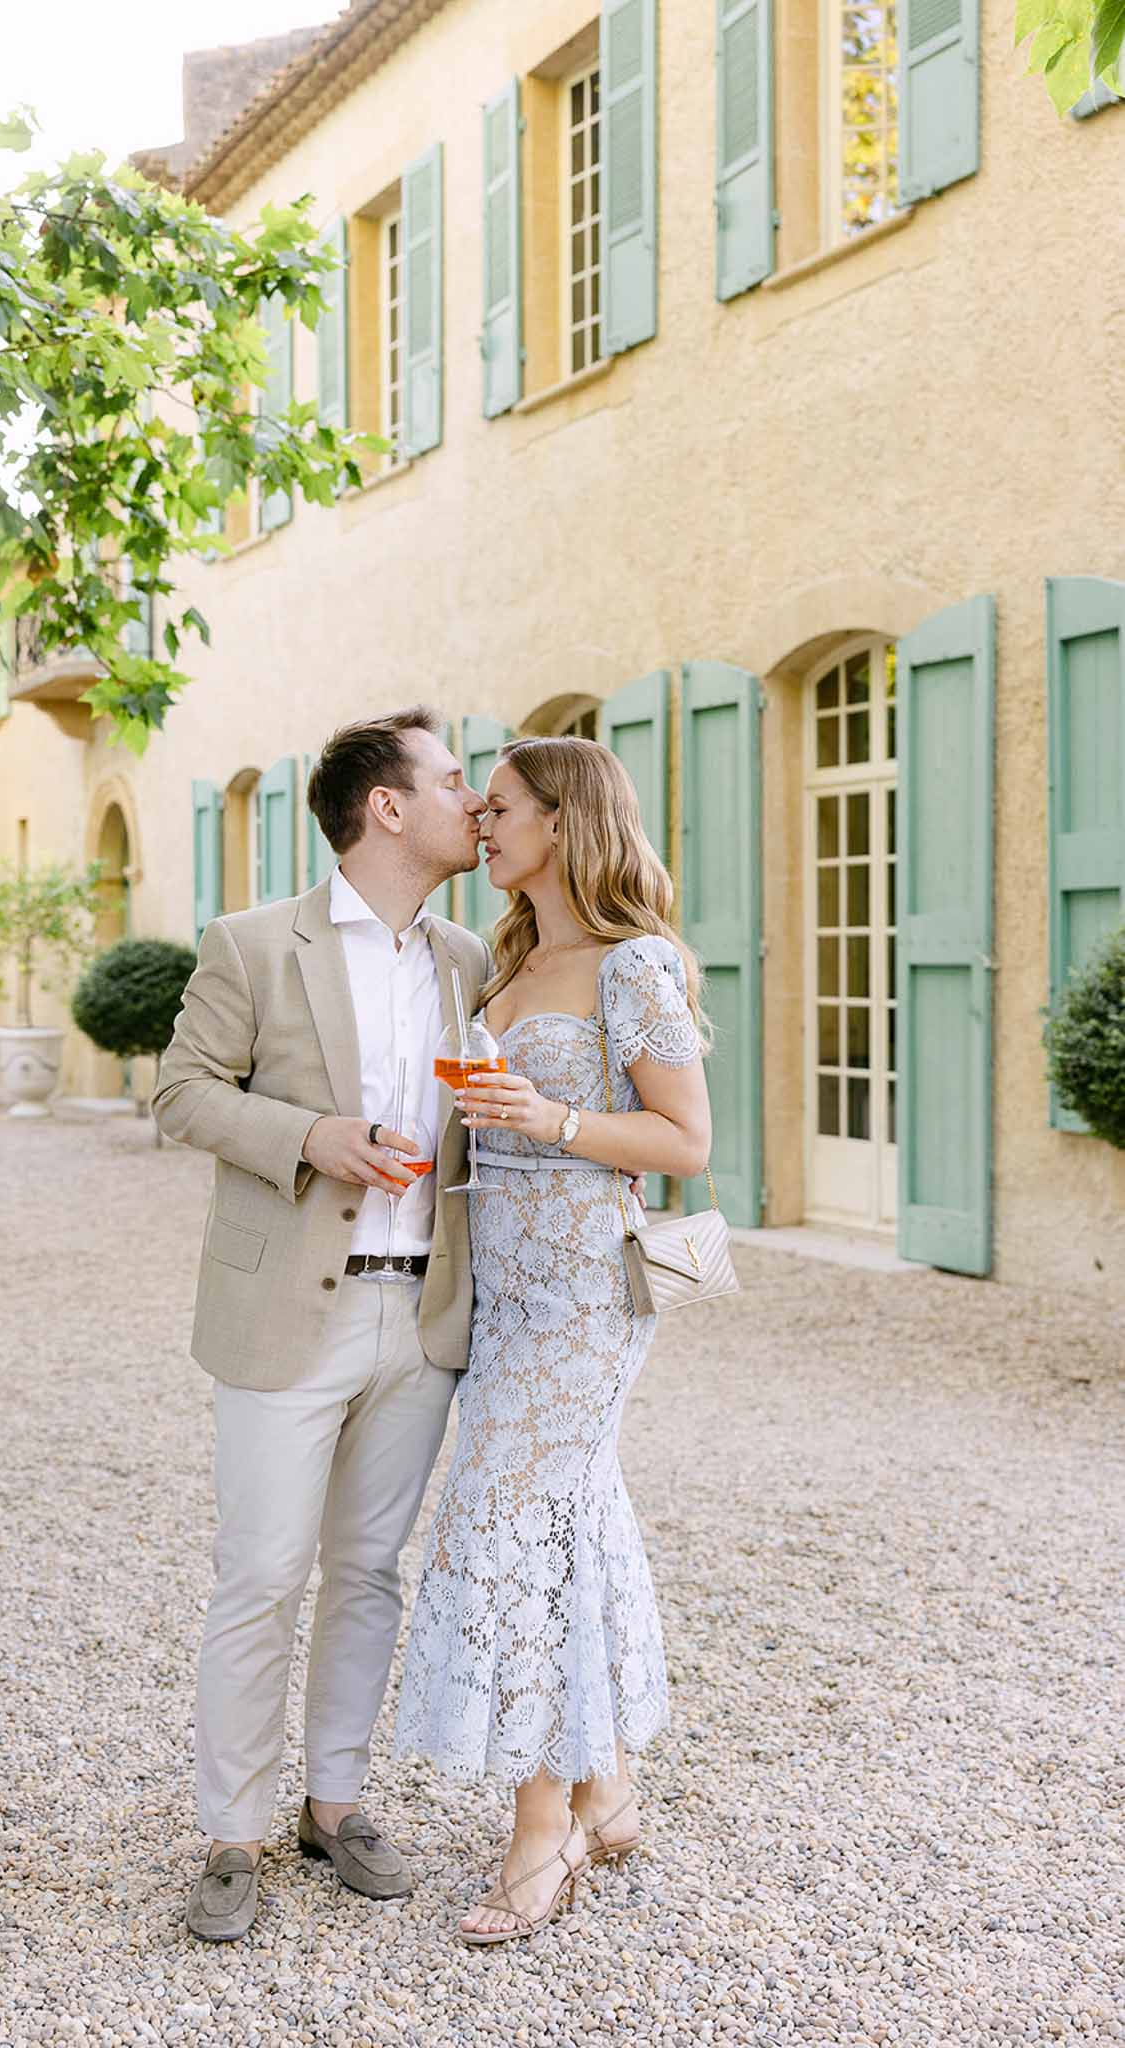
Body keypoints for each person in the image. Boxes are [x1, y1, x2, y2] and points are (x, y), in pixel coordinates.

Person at [152, 708, 490, 1943]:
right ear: (387, 807)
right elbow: (181, 1093)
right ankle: (230, 1830)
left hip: (424, 1313)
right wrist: (309, 1135)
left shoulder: (469, 955)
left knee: (367, 1571)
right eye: (455, 780)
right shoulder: (251, 943)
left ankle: (333, 1801)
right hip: (285, 1305)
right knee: (259, 1573)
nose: (478, 798)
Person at [393, 734, 713, 1945]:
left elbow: (685, 1143)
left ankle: (544, 1829)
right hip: (499, 1293)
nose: (481, 822)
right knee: (573, 1521)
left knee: (507, 1518)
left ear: (566, 821)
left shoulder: (632, 965)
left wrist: (555, 1114)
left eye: (504, 807)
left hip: (583, 1297)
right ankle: (607, 1785)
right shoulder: (512, 956)